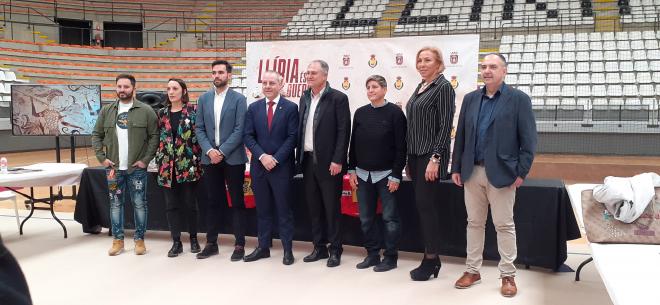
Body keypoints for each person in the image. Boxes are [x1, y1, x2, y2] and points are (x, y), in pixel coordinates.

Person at [451, 53, 537, 297]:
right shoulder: (470, 99)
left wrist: (521, 172)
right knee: (474, 224)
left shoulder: (518, 99)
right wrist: (456, 167)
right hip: (471, 171)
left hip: (503, 174)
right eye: (483, 66)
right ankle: (472, 270)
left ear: (504, 71)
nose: (487, 70)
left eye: (492, 66)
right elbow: (462, 137)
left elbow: (529, 141)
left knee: (504, 225)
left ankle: (507, 275)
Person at [91, 74, 158, 256]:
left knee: (139, 204)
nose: (122, 90)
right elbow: (96, 135)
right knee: (115, 204)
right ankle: (118, 241)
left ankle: (139, 240)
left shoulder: (146, 111)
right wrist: (101, 158)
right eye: (119, 86)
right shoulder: (107, 111)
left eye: (126, 87)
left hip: (136, 170)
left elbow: (155, 137)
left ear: (134, 88)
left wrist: (145, 160)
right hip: (113, 169)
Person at [405, 47, 455, 280]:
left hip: (429, 157)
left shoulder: (443, 87)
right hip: (415, 156)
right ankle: (431, 257)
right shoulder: (421, 86)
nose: (422, 64)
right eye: (419, 60)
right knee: (422, 207)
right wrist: (409, 159)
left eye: (427, 60)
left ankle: (431, 260)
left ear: (438, 64)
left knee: (426, 208)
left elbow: (445, 127)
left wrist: (435, 159)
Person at [348, 75, 407, 272]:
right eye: (368, 87)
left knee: (390, 219)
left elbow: (401, 147)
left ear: (384, 89)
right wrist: (351, 169)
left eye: (374, 87)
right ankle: (372, 255)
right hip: (362, 175)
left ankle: (390, 258)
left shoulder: (395, 114)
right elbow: (353, 144)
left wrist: (396, 174)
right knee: (366, 218)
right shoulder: (360, 113)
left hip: (386, 176)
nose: (371, 90)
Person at [295, 59, 351, 267]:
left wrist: (338, 159)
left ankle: (335, 250)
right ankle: (318, 247)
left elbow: (343, 131)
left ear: (325, 75)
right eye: (307, 73)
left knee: (331, 208)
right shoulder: (305, 98)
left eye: (313, 73)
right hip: (308, 161)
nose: (309, 76)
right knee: (314, 208)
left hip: (330, 164)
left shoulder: (338, 98)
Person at [242, 70, 299, 265]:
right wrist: (263, 156)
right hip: (259, 167)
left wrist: (275, 159)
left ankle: (287, 250)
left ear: (280, 84)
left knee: (284, 211)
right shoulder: (254, 108)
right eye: (264, 83)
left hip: (281, 168)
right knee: (263, 210)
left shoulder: (291, 108)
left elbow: (293, 137)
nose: (267, 86)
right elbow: (248, 136)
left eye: (271, 83)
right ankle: (263, 247)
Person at [195, 60, 248, 260]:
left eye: (220, 72)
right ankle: (211, 243)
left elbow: (240, 129)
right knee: (212, 202)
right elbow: (199, 128)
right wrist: (210, 151)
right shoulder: (203, 99)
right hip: (210, 160)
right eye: (214, 72)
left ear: (229, 75)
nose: (217, 75)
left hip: (232, 158)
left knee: (237, 202)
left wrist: (222, 151)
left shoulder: (239, 99)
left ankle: (240, 244)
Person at [154, 78, 204, 257]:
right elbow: (158, 138)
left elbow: (199, 137)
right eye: (168, 88)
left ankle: (193, 238)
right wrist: (158, 160)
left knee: (190, 204)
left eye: (175, 88)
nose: (171, 91)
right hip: (167, 167)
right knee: (171, 205)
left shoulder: (193, 111)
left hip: (188, 166)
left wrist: (198, 158)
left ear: (183, 91)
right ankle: (176, 241)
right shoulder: (161, 113)